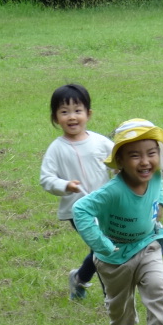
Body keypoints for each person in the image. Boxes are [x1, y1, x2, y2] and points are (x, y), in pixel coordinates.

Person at [72, 118, 163, 325]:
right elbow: (81, 210)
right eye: (135, 156)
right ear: (120, 161)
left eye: (151, 153)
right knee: (118, 309)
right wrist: (101, 244)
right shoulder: (113, 191)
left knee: (158, 287)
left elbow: (158, 187)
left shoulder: (156, 175)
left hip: (148, 244)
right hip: (114, 256)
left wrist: (159, 204)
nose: (145, 161)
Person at [39, 84, 114, 300]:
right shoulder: (57, 148)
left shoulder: (100, 142)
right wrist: (65, 185)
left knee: (104, 248)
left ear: (88, 114)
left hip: (106, 207)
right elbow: (46, 179)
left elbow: (119, 161)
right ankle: (111, 296)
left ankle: (80, 278)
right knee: (103, 249)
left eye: (77, 111)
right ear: (55, 118)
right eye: (64, 112)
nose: (72, 117)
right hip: (78, 211)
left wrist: (123, 170)